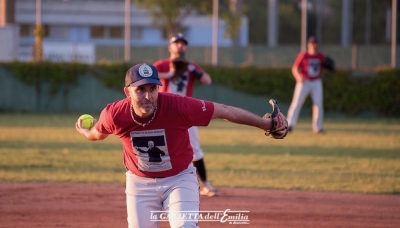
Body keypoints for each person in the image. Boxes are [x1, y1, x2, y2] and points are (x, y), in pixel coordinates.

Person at [75, 63, 287, 228]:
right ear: (127, 91)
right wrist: (85, 132)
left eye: (152, 88)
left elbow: (224, 111)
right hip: (139, 184)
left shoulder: (178, 106)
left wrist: (267, 123)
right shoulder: (114, 114)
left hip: (179, 179)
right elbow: (96, 134)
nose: (148, 96)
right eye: (140, 90)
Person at [153, 33, 217, 197]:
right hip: (163, 111)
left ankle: (205, 184)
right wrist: (169, 75)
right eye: (176, 43)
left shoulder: (191, 66)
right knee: (160, 146)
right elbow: (148, 77)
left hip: (186, 112)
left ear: (186, 47)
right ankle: (158, 184)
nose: (180, 46)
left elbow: (207, 80)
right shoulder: (162, 65)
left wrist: (192, 69)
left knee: (195, 148)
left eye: (183, 43)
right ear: (170, 47)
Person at [287, 36, 326, 134]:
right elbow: (295, 68)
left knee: (318, 104)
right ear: (308, 44)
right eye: (312, 43)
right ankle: (289, 125)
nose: (314, 45)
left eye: (315, 43)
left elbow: (324, 68)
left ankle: (318, 127)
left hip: (316, 81)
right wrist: (298, 77)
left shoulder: (321, 56)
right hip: (304, 81)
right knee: (296, 103)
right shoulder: (304, 55)